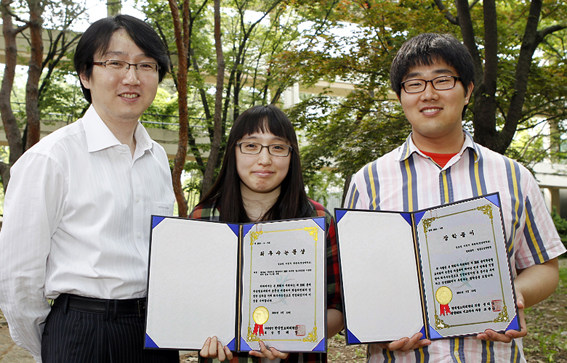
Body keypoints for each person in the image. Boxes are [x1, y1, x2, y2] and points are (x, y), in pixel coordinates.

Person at [344, 33, 566, 362]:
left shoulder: (513, 176)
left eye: (443, 80)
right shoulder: (368, 182)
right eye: (414, 84)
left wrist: (515, 293)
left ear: (468, 91)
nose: (428, 94)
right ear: (400, 96)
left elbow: (545, 267)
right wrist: (377, 322)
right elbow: (352, 281)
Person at [0, 15, 179, 363]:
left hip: (156, 330)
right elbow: (18, 278)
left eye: (146, 65)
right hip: (84, 332)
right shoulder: (51, 159)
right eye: (115, 62)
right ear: (86, 74)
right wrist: (56, 346)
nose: (132, 77)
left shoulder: (157, 157)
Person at [189, 105, 344, 363]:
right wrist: (201, 334)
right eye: (251, 146)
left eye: (278, 147)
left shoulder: (318, 220)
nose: (264, 159)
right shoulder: (203, 217)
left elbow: (336, 310)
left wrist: (292, 337)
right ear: (233, 152)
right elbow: (189, 302)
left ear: (291, 155)